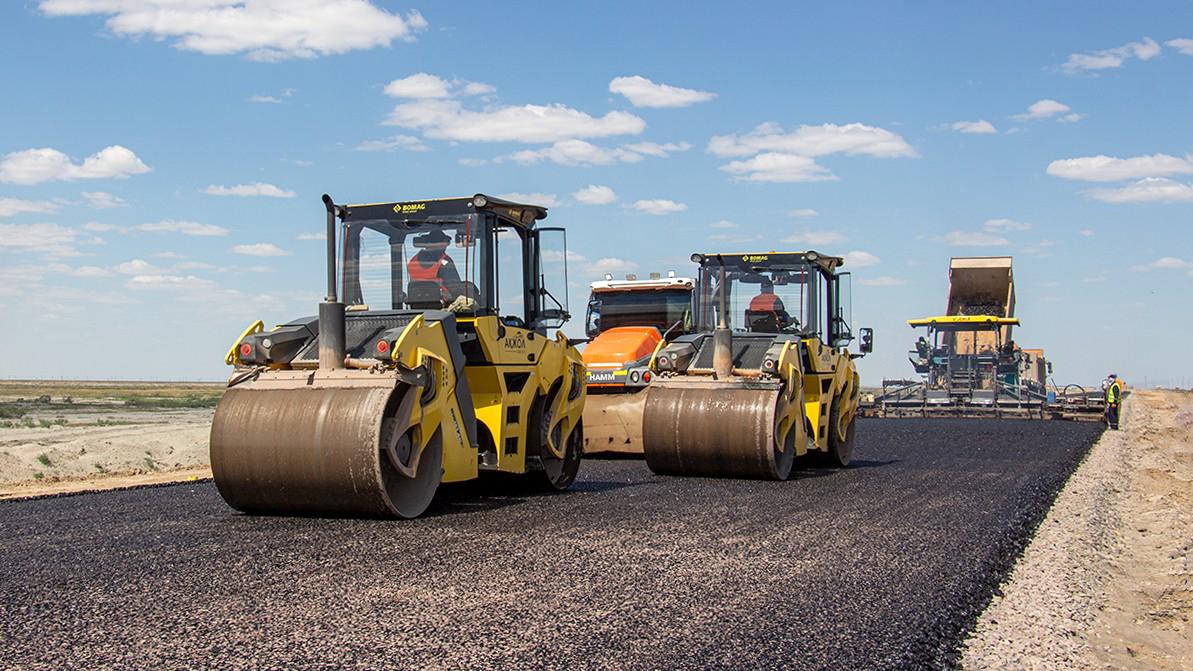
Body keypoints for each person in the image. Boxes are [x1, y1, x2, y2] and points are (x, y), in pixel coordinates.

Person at [407, 229, 460, 300]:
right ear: (440, 244)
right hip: (441, 306)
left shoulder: (413, 261)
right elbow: (456, 289)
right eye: (445, 243)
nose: (445, 247)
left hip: (416, 306)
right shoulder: (445, 262)